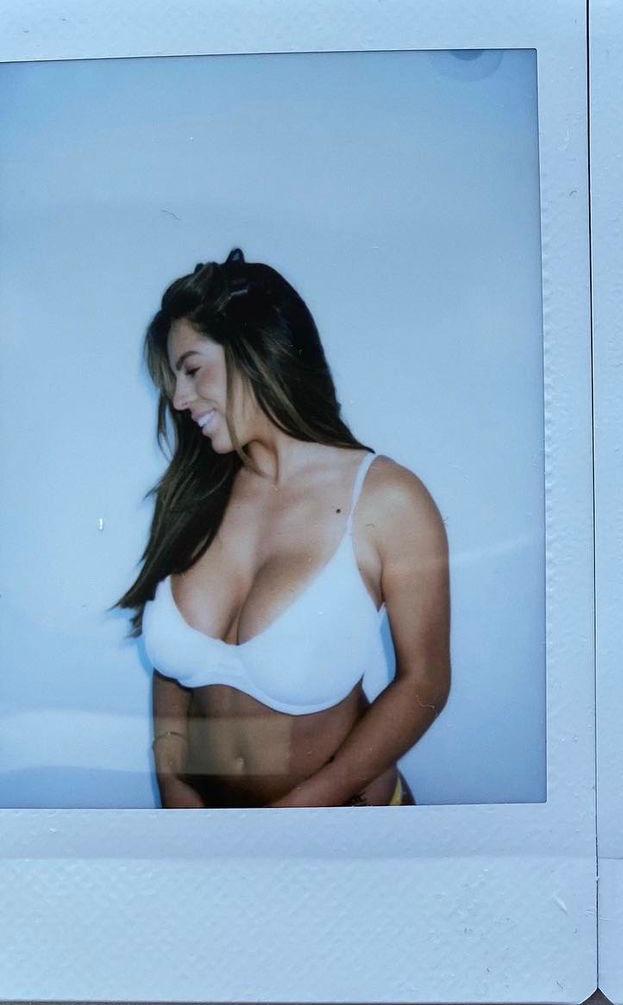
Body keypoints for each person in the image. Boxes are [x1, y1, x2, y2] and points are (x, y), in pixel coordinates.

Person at [117, 249, 450, 808]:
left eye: (192, 370)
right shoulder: (191, 496)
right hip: (210, 827)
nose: (178, 399)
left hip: (343, 821)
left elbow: (425, 681)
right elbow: (175, 665)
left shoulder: (386, 499)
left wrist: (307, 806)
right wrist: (172, 782)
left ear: (254, 349)